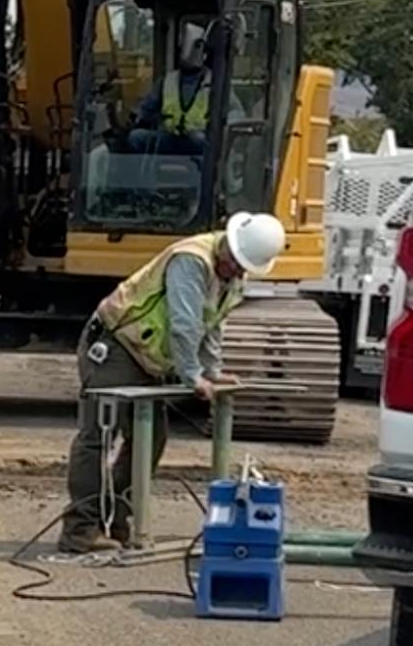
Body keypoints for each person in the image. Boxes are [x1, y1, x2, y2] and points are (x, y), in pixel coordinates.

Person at [61, 211, 286, 553]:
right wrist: (192, 374)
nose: (238, 272)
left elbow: (212, 324)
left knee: (151, 438)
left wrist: (211, 370)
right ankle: (80, 530)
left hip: (146, 356)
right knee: (98, 434)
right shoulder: (191, 260)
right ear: (228, 245)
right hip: (116, 345)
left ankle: (116, 520)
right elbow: (184, 322)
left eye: (245, 267)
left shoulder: (231, 277)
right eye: (237, 263)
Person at [128, 31, 212, 157]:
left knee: (203, 141)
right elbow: (147, 108)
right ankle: (143, 176)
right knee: (136, 137)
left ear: (204, 54)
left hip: (197, 140)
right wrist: (138, 115)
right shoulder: (167, 80)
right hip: (168, 137)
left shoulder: (213, 82)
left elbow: (234, 112)